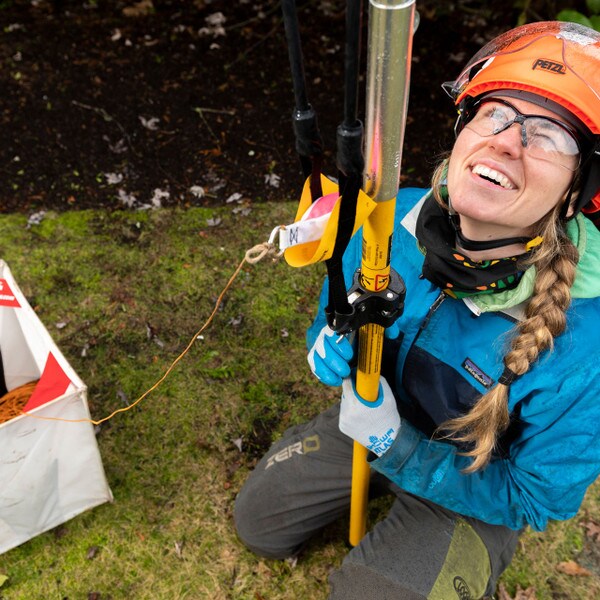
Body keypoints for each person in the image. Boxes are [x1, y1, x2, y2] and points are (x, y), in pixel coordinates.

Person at [234, 21, 600, 599]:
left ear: (577, 191)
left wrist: (399, 449)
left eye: (550, 137)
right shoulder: (389, 220)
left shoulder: (589, 344)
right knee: (259, 527)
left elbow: (536, 496)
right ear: (462, 130)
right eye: (495, 115)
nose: (507, 141)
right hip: (372, 417)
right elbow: (337, 312)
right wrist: (331, 341)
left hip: (477, 485)